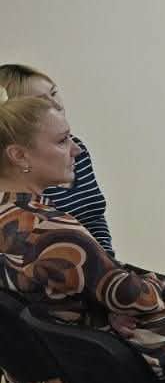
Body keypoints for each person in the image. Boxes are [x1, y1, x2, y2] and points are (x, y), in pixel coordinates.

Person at [0, 90, 165, 383]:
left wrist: (105, 304)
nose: (76, 149)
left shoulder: (10, 217)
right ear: (19, 155)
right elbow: (140, 298)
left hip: (45, 362)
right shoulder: (52, 231)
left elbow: (91, 289)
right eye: (63, 141)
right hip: (99, 369)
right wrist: (146, 288)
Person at [0, 64, 113, 253]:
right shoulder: (24, 197)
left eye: (53, 93)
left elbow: (95, 215)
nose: (57, 105)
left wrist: (107, 259)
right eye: (40, 101)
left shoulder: (75, 150)